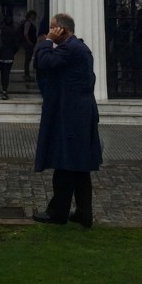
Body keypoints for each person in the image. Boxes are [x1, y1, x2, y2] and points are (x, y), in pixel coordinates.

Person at [31, 12, 102, 229]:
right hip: (79, 113)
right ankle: (83, 213)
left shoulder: (70, 48)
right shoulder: (77, 48)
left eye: (53, 28)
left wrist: (47, 41)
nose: (50, 31)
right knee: (79, 167)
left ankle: (58, 213)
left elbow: (43, 62)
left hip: (73, 115)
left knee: (66, 164)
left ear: (62, 29)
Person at [0, 15, 20, 99]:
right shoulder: (14, 31)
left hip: (0, 55)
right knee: (7, 73)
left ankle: (4, 89)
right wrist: (13, 51)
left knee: (3, 72)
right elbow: (17, 45)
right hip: (10, 55)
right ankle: (5, 90)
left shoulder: (0, 31)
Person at [21, 10, 38, 83]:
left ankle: (27, 74)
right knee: (28, 59)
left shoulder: (30, 23)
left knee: (28, 59)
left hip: (29, 43)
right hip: (28, 44)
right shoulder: (28, 23)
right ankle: (26, 74)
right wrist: (30, 42)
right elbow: (25, 33)